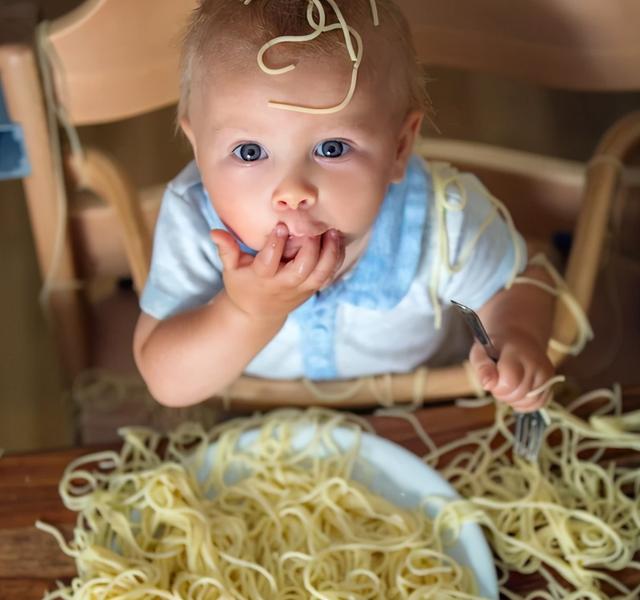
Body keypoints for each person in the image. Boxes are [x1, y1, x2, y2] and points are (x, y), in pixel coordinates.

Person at [134, 0, 555, 409]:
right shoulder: (195, 222)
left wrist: (517, 336)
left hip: (421, 405)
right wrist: (246, 312)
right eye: (249, 152)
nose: (293, 190)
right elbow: (166, 383)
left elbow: (512, 286)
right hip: (256, 414)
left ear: (399, 147)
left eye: (332, 148)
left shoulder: (443, 216)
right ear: (198, 149)